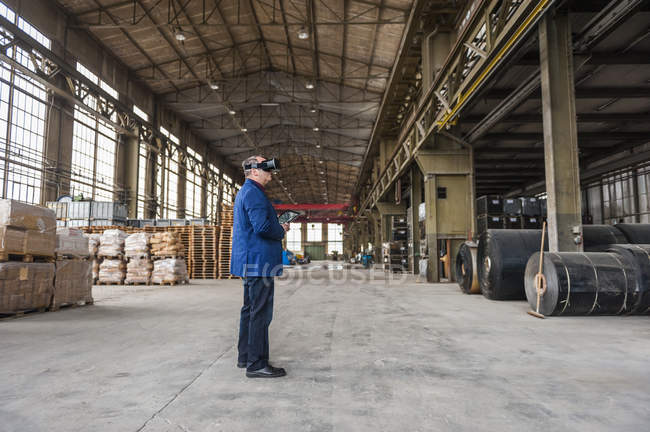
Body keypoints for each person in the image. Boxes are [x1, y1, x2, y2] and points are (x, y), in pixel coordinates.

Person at [230, 155, 290, 378]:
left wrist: (275, 224)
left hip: (250, 262)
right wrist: (280, 230)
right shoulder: (254, 193)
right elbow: (262, 227)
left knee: (250, 310)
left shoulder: (246, 191)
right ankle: (256, 364)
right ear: (254, 171)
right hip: (258, 263)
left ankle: (245, 356)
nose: (270, 174)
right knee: (260, 313)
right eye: (267, 169)